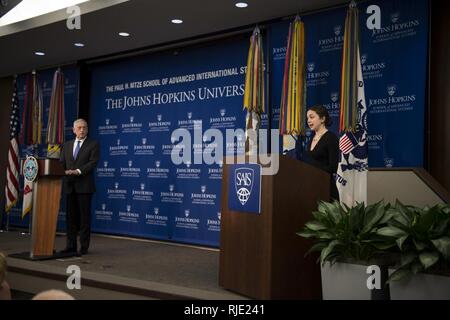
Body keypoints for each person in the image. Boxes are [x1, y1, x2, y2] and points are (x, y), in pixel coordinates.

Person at [60, 119, 99, 256]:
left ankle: (83, 247)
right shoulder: (66, 145)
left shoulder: (93, 144)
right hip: (69, 186)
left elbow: (92, 163)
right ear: (74, 130)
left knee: (84, 219)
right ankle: (70, 246)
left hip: (84, 186)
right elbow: (61, 163)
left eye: (84, 127)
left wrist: (78, 171)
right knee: (70, 219)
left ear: (87, 129)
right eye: (79, 128)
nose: (82, 130)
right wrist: (62, 171)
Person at [304, 105, 340, 201]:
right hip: (311, 188)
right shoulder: (311, 139)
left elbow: (333, 168)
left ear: (322, 119)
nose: (308, 120)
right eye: (307, 118)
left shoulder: (331, 138)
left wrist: (311, 168)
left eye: (311, 117)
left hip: (326, 189)